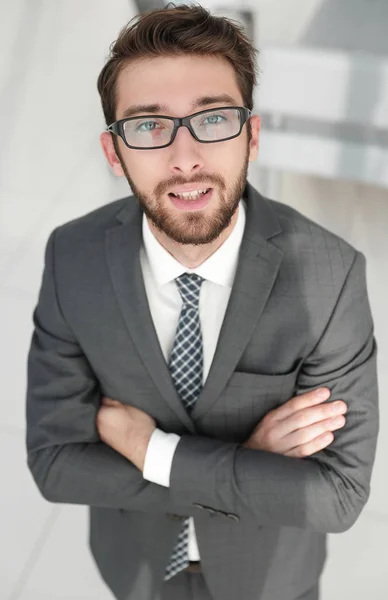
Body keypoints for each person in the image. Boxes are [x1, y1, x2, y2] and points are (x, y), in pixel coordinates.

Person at [26, 4, 379, 600]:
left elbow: (337, 495)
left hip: (270, 578)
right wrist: (247, 459)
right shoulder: (72, 257)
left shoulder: (330, 274)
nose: (185, 158)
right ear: (115, 154)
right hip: (136, 566)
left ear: (253, 135)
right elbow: (55, 464)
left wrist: (153, 451)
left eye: (213, 119)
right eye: (147, 126)